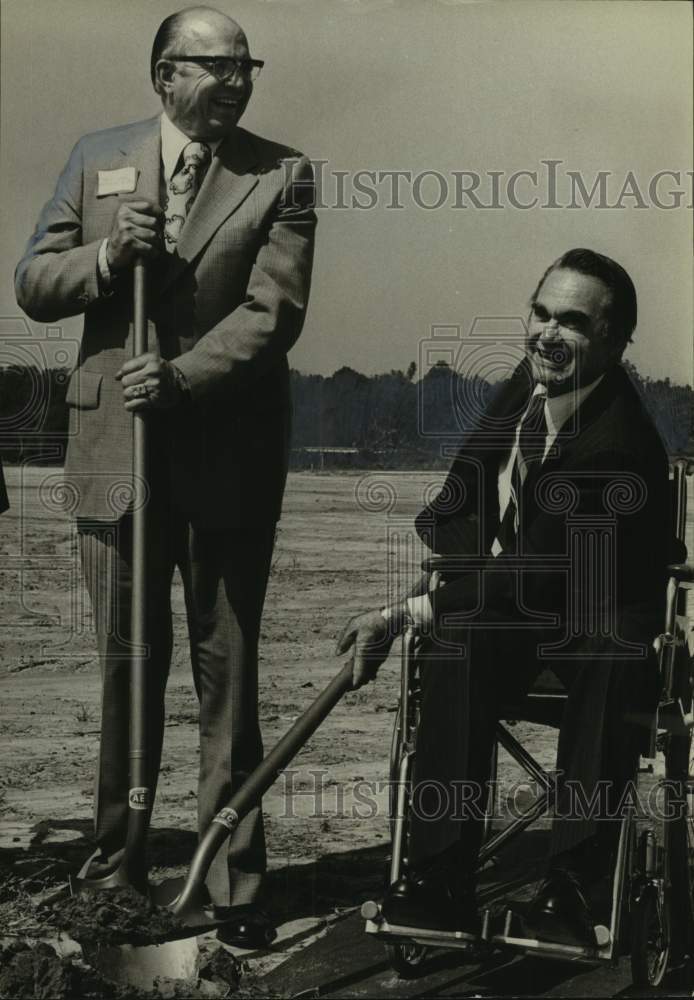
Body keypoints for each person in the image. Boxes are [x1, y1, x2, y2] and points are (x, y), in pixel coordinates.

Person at [16, 5, 316, 947]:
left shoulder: (285, 175)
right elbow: (32, 280)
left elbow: (274, 314)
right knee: (124, 669)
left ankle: (233, 886)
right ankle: (119, 865)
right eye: (214, 66)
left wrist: (181, 378)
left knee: (227, 678)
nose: (235, 81)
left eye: (245, 66)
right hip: (114, 462)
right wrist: (108, 257)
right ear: (163, 75)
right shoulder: (97, 156)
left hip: (226, 465)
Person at [337, 249, 671, 945]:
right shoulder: (533, 375)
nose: (547, 333)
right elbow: (467, 482)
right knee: (460, 641)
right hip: (531, 596)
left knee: (607, 656)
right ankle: (437, 881)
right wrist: (455, 574)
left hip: (605, 610)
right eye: (541, 312)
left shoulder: (616, 444)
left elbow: (539, 571)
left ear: (613, 341)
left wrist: (408, 612)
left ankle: (573, 895)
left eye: (572, 322)